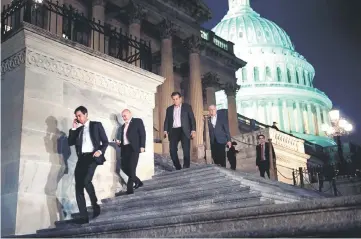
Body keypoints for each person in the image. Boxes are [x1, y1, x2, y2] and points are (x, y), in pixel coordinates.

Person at [68, 106, 109, 224]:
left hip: (93, 156)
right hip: (82, 158)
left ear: (86, 114)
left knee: (86, 181)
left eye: (79, 115)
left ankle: (95, 205)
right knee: (78, 186)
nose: (78, 118)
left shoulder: (96, 125)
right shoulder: (79, 130)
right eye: (76, 116)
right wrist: (74, 128)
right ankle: (83, 216)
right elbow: (70, 142)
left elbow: (105, 142)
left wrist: (100, 151)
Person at [115, 109, 146, 194]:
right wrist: (118, 143)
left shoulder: (137, 121)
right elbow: (123, 139)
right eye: (122, 116)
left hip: (134, 148)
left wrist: (142, 146)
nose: (124, 117)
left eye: (125, 115)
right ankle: (138, 182)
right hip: (125, 149)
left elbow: (142, 134)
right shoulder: (122, 127)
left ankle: (129, 190)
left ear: (130, 114)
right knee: (124, 167)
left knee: (132, 168)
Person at [164, 92, 196, 170]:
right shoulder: (169, 109)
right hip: (174, 130)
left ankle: (186, 167)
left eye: (177, 99)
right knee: (172, 150)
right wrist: (165, 130)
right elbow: (167, 120)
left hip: (184, 130)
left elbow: (192, 119)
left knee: (186, 150)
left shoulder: (187, 107)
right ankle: (178, 167)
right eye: (173, 99)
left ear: (180, 98)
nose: (175, 101)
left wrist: (193, 130)